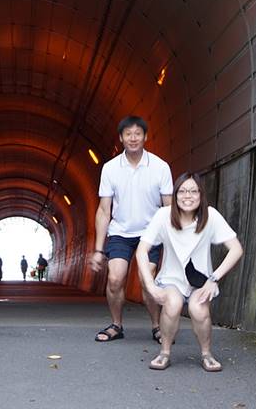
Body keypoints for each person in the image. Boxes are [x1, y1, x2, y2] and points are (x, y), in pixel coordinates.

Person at [137, 172, 243, 372]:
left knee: (198, 309)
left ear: (201, 195)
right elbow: (142, 250)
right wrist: (150, 285)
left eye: (194, 191)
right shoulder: (163, 215)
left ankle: (206, 354)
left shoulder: (210, 216)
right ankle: (164, 352)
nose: (188, 196)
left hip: (201, 281)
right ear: (175, 195)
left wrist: (214, 279)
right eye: (182, 191)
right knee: (172, 304)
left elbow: (236, 249)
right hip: (171, 279)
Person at [88, 115, 173, 343]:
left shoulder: (160, 167)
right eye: (128, 134)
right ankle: (116, 325)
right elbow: (104, 210)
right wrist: (98, 249)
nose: (133, 138)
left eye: (138, 134)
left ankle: (157, 327)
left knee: (147, 280)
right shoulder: (110, 168)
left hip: (151, 233)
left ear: (145, 137)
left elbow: (168, 207)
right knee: (115, 279)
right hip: (120, 232)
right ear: (121, 138)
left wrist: (173, 242)